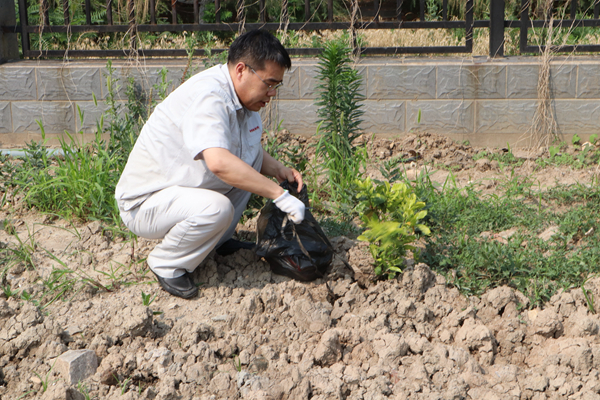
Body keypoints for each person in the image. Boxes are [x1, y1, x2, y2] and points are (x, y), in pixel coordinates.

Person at [115, 30, 306, 299]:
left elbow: (248, 151)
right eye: (269, 83)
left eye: (277, 85)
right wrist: (279, 195)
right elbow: (218, 163)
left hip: (180, 192)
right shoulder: (210, 96)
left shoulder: (246, 102)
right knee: (217, 207)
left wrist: (279, 171)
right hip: (145, 203)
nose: (272, 93)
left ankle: (217, 240)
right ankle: (167, 263)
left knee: (247, 168)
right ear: (241, 70)